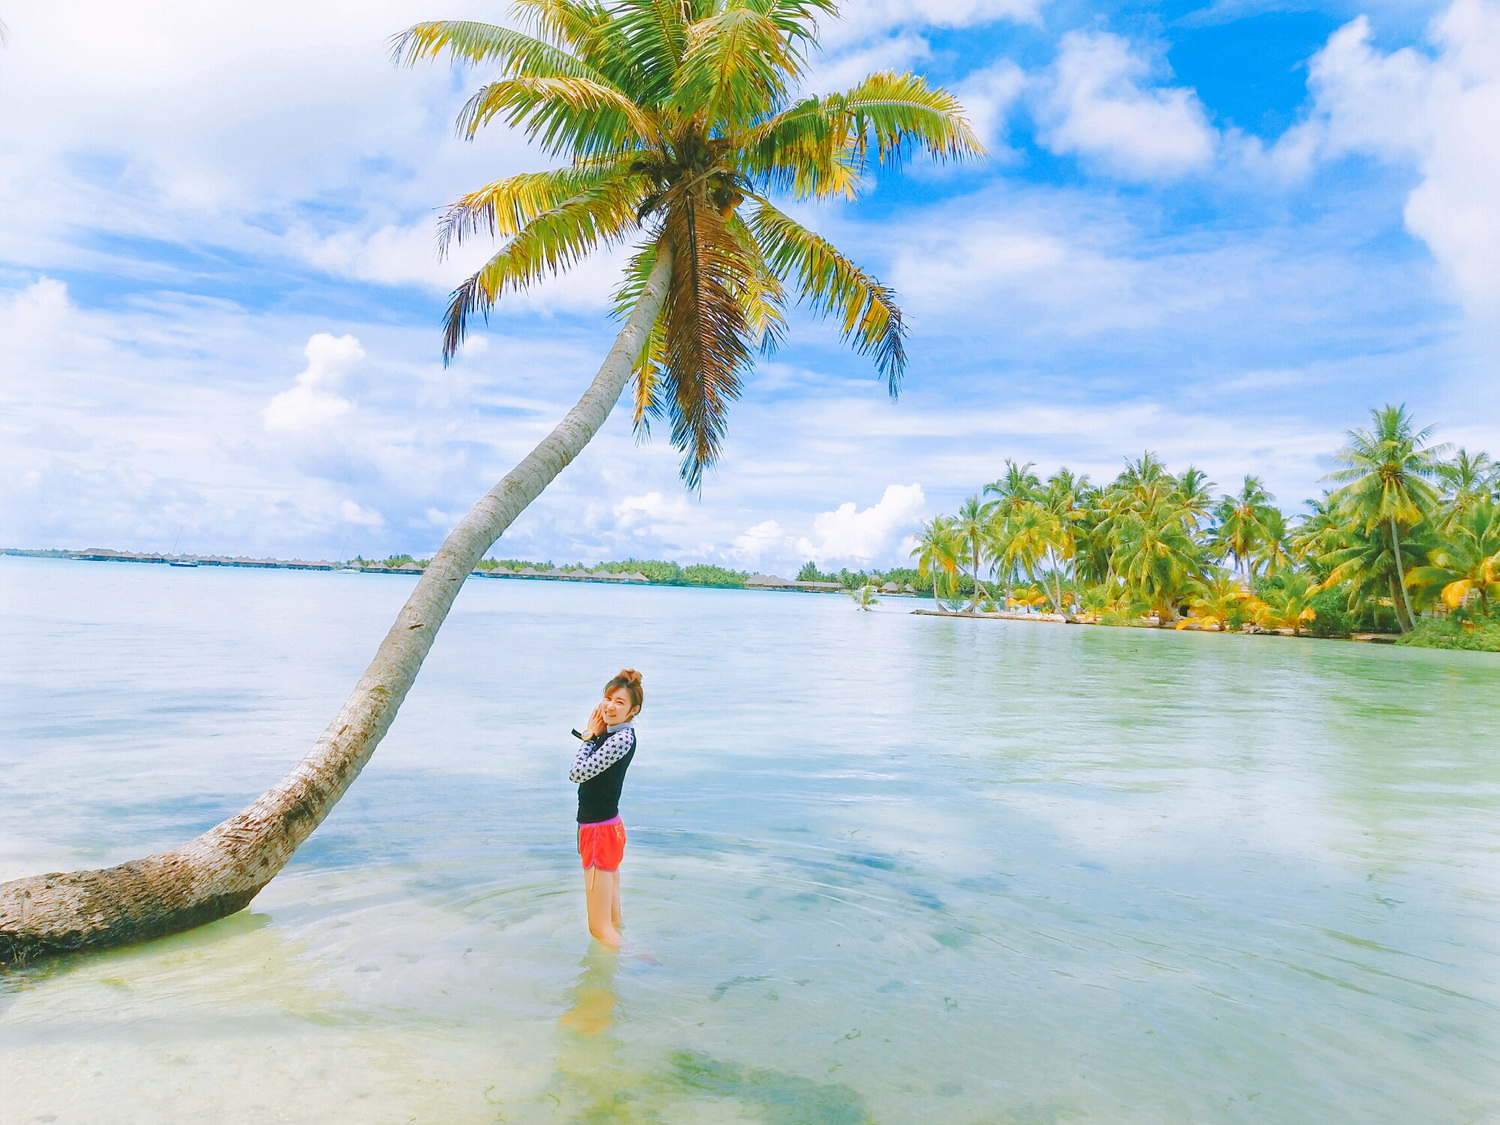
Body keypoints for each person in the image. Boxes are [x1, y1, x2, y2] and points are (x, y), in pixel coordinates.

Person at [569, 669, 642, 948]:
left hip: (599, 833)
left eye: (620, 702)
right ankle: (621, 972)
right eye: (608, 698)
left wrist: (589, 735)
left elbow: (577, 773)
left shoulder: (620, 739)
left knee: (599, 929)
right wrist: (594, 735)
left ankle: (643, 963)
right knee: (612, 920)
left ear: (633, 710)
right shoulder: (614, 735)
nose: (610, 706)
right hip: (606, 828)